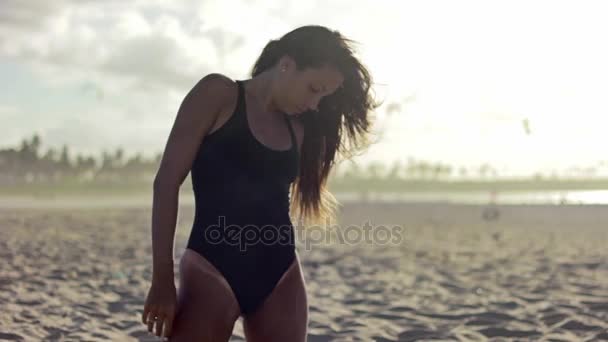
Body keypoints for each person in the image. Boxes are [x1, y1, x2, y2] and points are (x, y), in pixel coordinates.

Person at [142, 24, 379, 341]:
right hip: (211, 268)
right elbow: (166, 183)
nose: (315, 104)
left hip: (280, 275)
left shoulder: (300, 127)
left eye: (325, 95)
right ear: (286, 64)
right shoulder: (218, 95)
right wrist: (161, 278)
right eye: (313, 88)